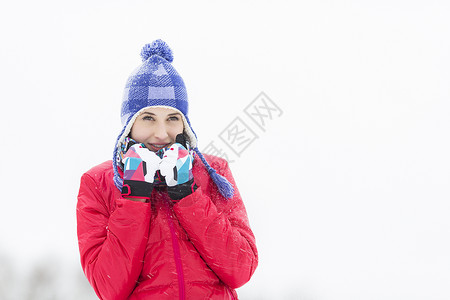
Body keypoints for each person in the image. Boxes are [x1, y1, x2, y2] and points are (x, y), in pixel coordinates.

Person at [76, 39, 258, 300]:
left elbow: (241, 269)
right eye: (148, 118)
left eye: (172, 118)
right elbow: (109, 287)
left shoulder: (213, 173)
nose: (161, 133)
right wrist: (135, 195)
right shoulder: (98, 183)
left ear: (185, 124)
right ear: (129, 123)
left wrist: (188, 194)